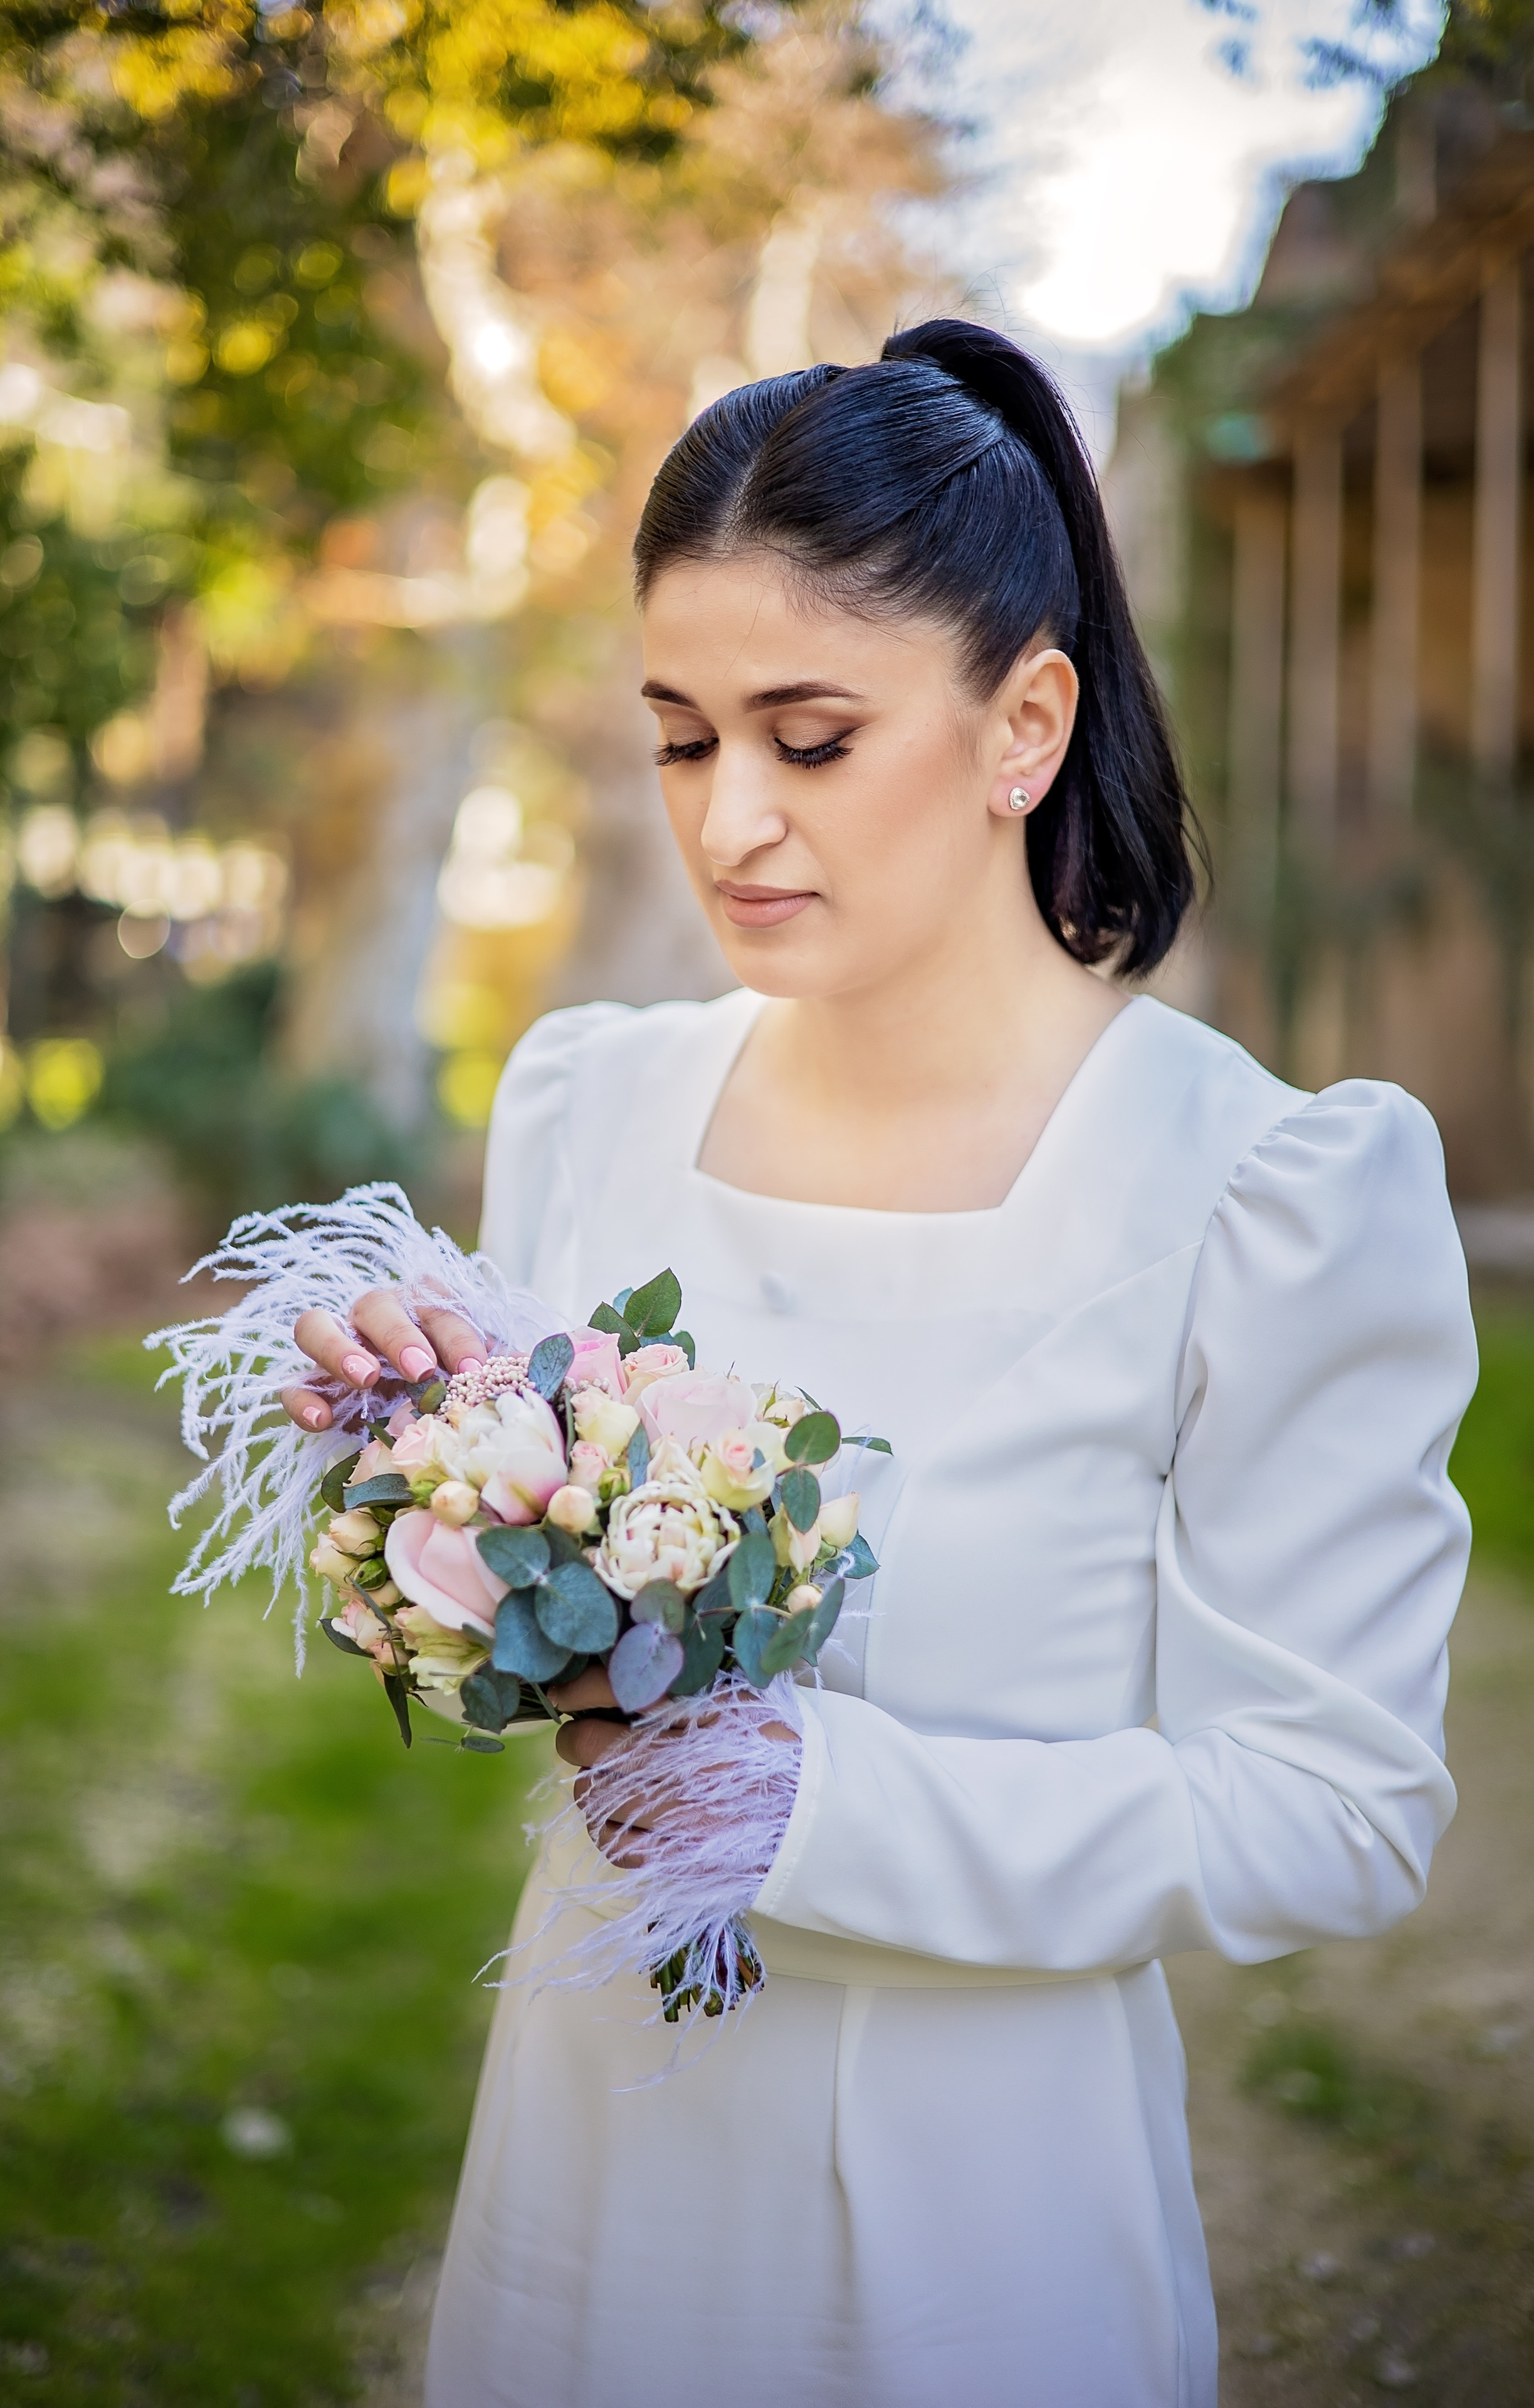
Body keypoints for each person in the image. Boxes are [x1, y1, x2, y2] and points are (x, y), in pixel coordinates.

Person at [279, 322, 1476, 2407]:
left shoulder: (1266, 1190)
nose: (729, 820)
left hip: (976, 2220)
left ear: (1025, 723)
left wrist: (805, 1803)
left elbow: (1336, 1806)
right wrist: (432, 1490)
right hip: (591, 2156)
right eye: (679, 737)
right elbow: (549, 1647)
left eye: (810, 738)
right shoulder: (590, 1101)